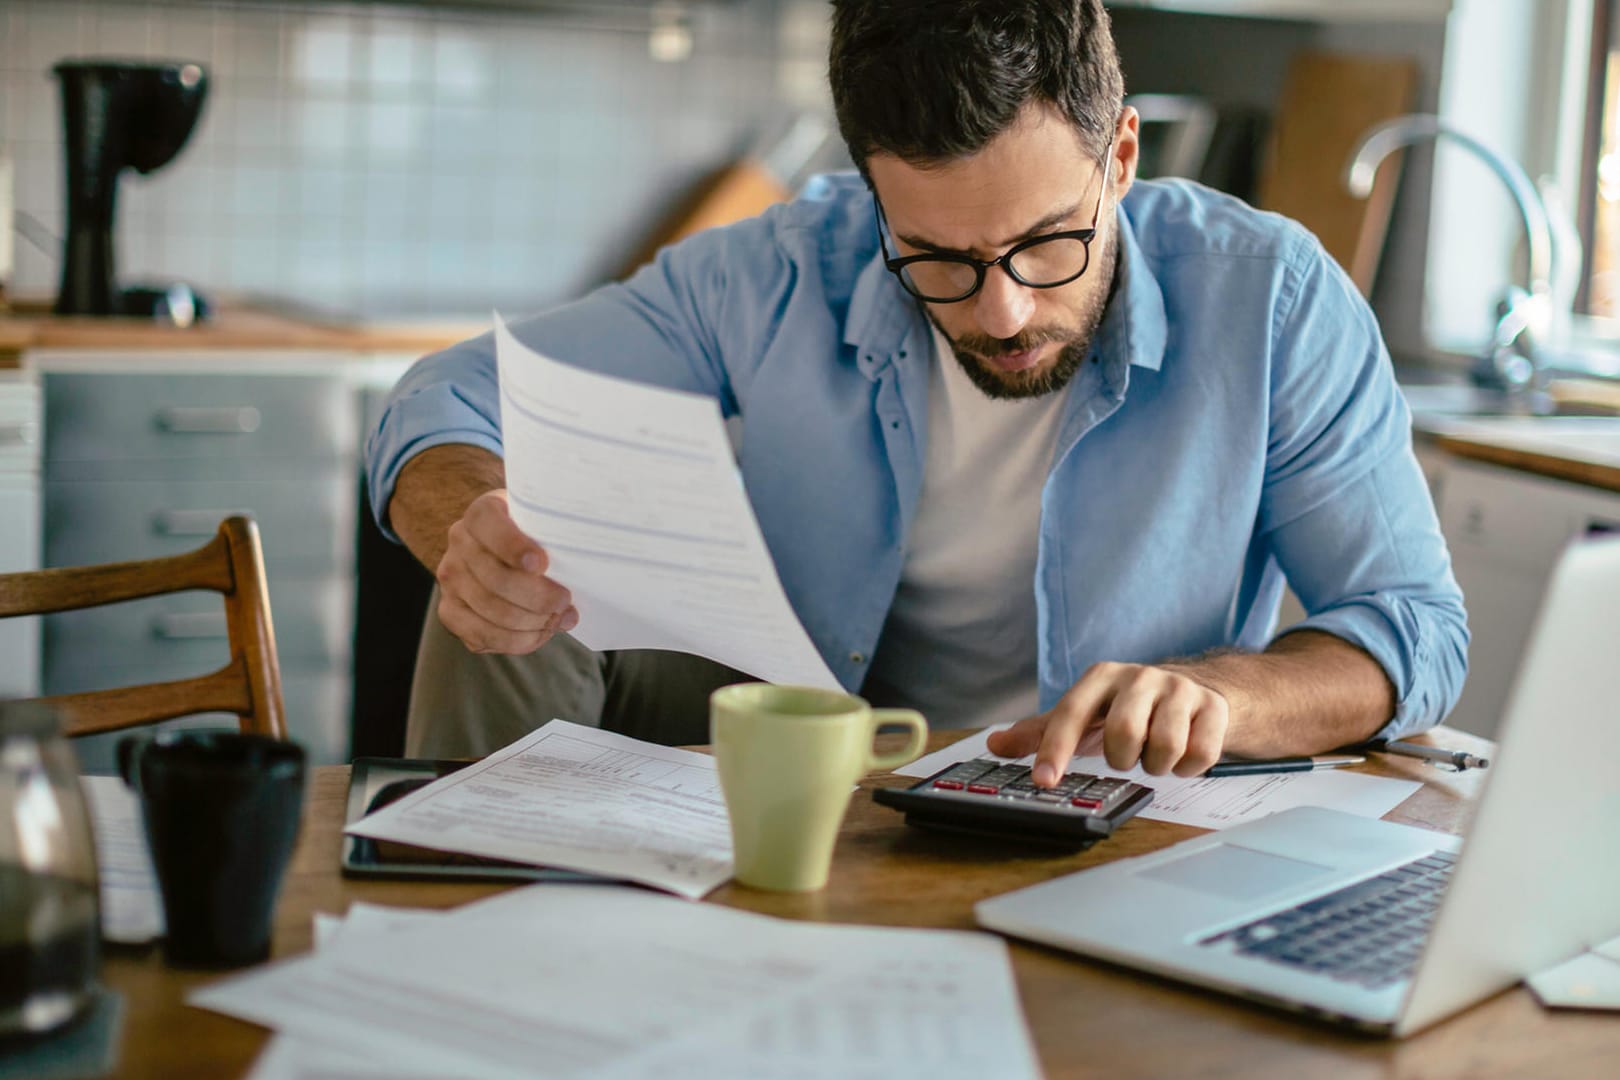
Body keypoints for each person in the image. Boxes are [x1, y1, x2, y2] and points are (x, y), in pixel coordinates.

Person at [365, 0, 1468, 785]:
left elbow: (1412, 628)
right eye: (936, 256)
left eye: (1047, 246)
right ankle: (471, 934)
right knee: (509, 537)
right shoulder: (786, 266)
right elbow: (446, 397)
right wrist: (469, 522)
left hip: (1090, 803)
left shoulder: (1271, 299)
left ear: (1121, 156)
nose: (999, 312)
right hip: (808, 748)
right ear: (873, 199)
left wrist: (1224, 699)